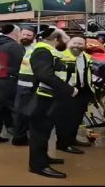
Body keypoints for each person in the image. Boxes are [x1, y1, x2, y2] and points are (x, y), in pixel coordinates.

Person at [27, 27, 76, 179]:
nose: (67, 41)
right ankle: (38, 166)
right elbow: (44, 75)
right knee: (39, 133)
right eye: (65, 38)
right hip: (41, 98)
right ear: (56, 40)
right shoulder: (43, 51)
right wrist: (69, 89)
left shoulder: (47, 50)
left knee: (45, 131)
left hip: (46, 96)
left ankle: (44, 158)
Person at [54, 36, 94, 154]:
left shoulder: (86, 57)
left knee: (76, 119)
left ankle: (71, 140)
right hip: (65, 92)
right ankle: (62, 144)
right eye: (74, 43)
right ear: (68, 43)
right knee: (64, 120)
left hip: (82, 92)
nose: (77, 45)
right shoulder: (60, 56)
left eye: (80, 44)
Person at [13, 26, 37, 146]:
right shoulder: (14, 48)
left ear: (34, 37)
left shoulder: (34, 50)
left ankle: (21, 135)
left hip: (27, 86)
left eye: (29, 35)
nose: (25, 37)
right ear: (19, 35)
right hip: (14, 84)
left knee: (24, 112)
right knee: (20, 113)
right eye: (24, 34)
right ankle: (19, 137)